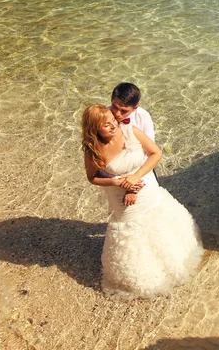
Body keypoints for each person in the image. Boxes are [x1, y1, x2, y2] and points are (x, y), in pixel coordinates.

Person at [81, 104, 203, 298]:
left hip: (146, 186)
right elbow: (92, 177)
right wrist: (116, 182)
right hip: (121, 196)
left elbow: (156, 154)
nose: (114, 126)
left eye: (113, 120)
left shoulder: (131, 131)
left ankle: (173, 262)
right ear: (94, 128)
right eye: (106, 125)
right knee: (131, 231)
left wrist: (135, 178)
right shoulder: (93, 150)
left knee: (159, 221)